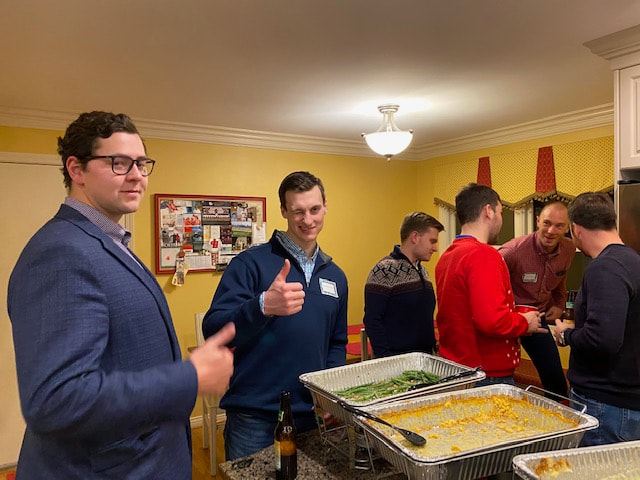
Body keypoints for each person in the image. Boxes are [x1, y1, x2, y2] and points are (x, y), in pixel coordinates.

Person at [7, 111, 235, 479]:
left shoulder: (107, 241)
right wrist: (189, 377)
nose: (137, 176)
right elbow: (56, 399)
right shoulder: (61, 252)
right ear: (76, 170)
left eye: (142, 163)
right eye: (118, 163)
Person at [202, 171, 348, 460]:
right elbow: (213, 330)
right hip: (254, 417)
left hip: (309, 416)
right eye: (298, 211)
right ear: (283, 210)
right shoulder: (250, 264)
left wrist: (329, 397)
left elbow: (336, 342)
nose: (308, 220)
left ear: (326, 206)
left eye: (315, 209)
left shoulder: (336, 277)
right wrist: (262, 306)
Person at [435, 183, 545, 385]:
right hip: (486, 372)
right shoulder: (483, 254)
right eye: (501, 212)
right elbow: (492, 321)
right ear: (488, 211)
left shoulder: (447, 256)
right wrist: (524, 322)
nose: (501, 220)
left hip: (457, 367)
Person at [553, 192, 640, 446]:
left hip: (606, 405)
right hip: (627, 402)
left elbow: (603, 339)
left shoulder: (605, 267)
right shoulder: (633, 261)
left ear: (576, 229)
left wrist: (566, 334)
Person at [499, 202, 574, 398]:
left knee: (556, 382)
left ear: (567, 228)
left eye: (559, 226)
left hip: (538, 319)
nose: (551, 231)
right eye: (547, 223)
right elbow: (490, 286)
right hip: (507, 319)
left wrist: (559, 305)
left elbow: (560, 279)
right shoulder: (512, 251)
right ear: (537, 220)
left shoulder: (569, 249)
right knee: (500, 376)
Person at [363, 212, 444, 357]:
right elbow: (372, 321)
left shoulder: (423, 271)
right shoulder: (384, 270)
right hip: (396, 365)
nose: (435, 248)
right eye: (432, 241)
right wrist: (386, 360)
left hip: (424, 361)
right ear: (415, 237)